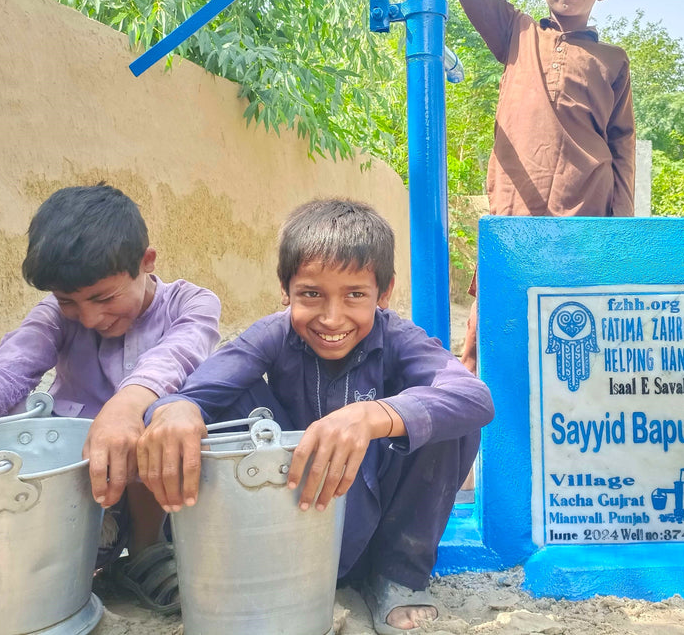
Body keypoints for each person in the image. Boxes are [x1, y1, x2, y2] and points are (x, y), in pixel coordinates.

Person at [137, 199, 494, 635]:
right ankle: (232, 562)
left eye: (355, 295)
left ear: (384, 294)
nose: (331, 317)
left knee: (446, 417)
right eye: (311, 294)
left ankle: (398, 576)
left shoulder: (400, 337)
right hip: (287, 518)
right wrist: (176, 409)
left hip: (377, 523)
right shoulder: (273, 333)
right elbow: (197, 390)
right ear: (285, 290)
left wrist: (374, 414)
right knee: (220, 401)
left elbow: (474, 397)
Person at [0, 183, 221, 612]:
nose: (89, 317)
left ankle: (145, 549)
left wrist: (123, 409)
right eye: (69, 302)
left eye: (103, 298)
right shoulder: (53, 316)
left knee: (155, 417)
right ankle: (93, 547)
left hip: (155, 476)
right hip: (77, 475)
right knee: (6, 424)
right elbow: (8, 369)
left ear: (146, 262)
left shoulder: (192, 304)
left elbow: (173, 359)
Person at [446, 0, 636, 372]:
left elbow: (621, 150)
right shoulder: (517, 33)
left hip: (584, 223)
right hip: (513, 217)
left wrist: (618, 233)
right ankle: (478, 448)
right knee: (490, 343)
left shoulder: (613, 61)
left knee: (574, 343)